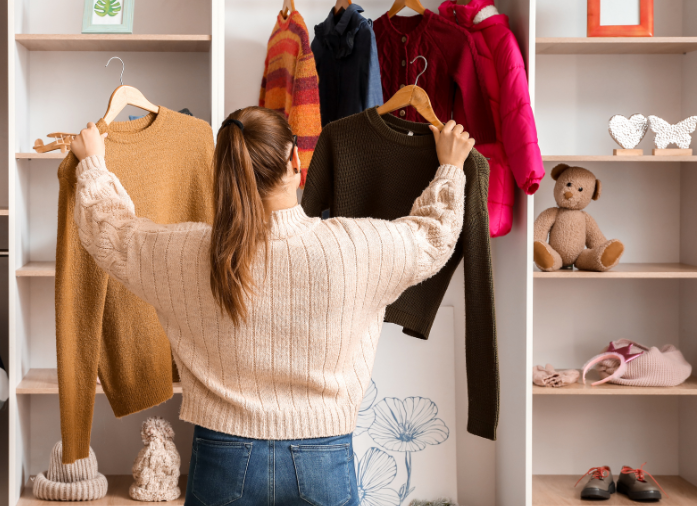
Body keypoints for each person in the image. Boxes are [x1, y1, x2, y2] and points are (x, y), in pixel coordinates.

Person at [69, 107, 474, 506]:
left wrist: (92, 165)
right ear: (295, 160)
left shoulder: (185, 253)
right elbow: (434, 236)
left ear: (223, 173)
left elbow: (109, 232)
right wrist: (451, 168)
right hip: (324, 457)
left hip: (222, 457)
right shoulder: (356, 248)